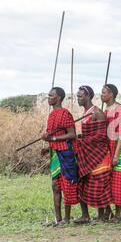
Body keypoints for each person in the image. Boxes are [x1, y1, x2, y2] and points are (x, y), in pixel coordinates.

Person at [41, 87, 79, 226]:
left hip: (65, 153)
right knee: (55, 187)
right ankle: (58, 219)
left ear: (58, 98)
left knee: (67, 185)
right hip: (55, 155)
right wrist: (47, 145)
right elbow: (51, 135)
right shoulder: (51, 115)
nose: (48, 98)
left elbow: (72, 134)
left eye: (51, 95)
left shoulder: (65, 114)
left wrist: (54, 139)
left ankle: (67, 219)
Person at [75, 85, 112, 223]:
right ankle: (86, 216)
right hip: (87, 154)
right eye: (77, 96)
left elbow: (102, 136)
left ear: (88, 96)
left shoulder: (97, 113)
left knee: (100, 183)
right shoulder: (86, 113)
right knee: (83, 183)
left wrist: (81, 140)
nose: (78, 99)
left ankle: (102, 216)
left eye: (80, 96)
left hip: (99, 154)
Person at [101, 84, 121, 222]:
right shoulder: (104, 110)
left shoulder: (120, 109)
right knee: (107, 182)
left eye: (104, 92)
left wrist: (116, 154)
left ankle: (119, 213)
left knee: (119, 181)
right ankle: (109, 212)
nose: (102, 95)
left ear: (112, 94)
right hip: (108, 148)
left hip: (120, 150)